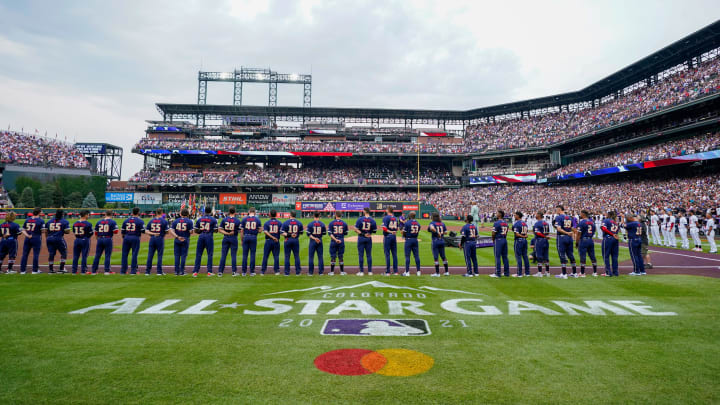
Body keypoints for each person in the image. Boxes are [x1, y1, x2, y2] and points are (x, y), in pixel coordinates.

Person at [193, 206, 218, 277]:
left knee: (198, 254)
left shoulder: (200, 219)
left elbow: (196, 230)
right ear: (210, 212)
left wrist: (201, 231)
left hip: (201, 236)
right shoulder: (213, 219)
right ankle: (209, 271)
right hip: (209, 236)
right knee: (209, 254)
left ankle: (195, 272)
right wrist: (210, 230)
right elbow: (216, 230)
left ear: (204, 211)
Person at [92, 210, 119, 275]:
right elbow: (116, 231)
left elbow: (95, 232)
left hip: (100, 238)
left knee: (97, 255)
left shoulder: (99, 221)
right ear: (112, 214)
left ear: (105, 214)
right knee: (107, 255)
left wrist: (97, 239)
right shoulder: (112, 221)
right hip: (108, 238)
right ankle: (106, 271)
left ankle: (94, 271)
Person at [553, 205, 576, 278]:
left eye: (557, 210)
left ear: (559, 210)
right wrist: (572, 234)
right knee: (570, 254)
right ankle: (574, 273)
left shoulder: (558, 217)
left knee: (562, 255)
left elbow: (559, 229)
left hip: (562, 237)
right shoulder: (569, 217)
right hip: (569, 238)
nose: (556, 211)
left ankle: (564, 273)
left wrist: (567, 233)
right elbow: (572, 228)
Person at [120, 207, 145, 275]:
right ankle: (133, 271)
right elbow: (143, 231)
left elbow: (122, 232)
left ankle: (123, 271)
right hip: (135, 237)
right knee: (134, 254)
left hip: (126, 237)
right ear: (138, 212)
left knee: (124, 254)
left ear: (132, 212)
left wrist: (125, 237)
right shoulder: (140, 221)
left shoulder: (126, 220)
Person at [353, 207, 377, 276]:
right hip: (368, 238)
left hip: (361, 238)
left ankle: (361, 271)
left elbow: (355, 229)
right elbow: (374, 231)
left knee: (361, 255)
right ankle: (370, 271)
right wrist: (368, 233)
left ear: (365, 211)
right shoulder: (372, 220)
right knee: (369, 255)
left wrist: (363, 234)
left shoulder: (360, 219)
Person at [145, 208, 169, 275]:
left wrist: (153, 233)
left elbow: (146, 231)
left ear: (156, 212)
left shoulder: (151, 220)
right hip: (160, 238)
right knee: (159, 255)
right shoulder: (164, 221)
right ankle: (159, 271)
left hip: (152, 238)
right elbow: (167, 231)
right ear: (162, 213)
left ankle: (147, 271)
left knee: (150, 255)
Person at [46, 209, 71, 274]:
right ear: (62, 214)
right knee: (64, 252)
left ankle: (51, 269)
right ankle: (61, 268)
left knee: (51, 253)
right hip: (58, 238)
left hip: (49, 238)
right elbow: (67, 231)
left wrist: (48, 237)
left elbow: (46, 231)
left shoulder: (49, 221)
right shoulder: (64, 221)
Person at [218, 206, 241, 276]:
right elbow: (240, 231)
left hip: (226, 237)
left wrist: (227, 233)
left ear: (229, 211)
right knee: (233, 255)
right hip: (233, 238)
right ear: (235, 212)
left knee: (223, 255)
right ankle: (234, 272)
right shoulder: (237, 220)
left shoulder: (224, 219)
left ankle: (220, 272)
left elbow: (220, 230)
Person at [20, 208, 44, 274]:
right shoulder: (40, 220)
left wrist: (27, 235)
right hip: (36, 237)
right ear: (39, 212)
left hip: (27, 238)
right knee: (36, 254)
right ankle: (34, 270)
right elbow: (43, 231)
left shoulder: (27, 219)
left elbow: (23, 230)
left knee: (25, 254)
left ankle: (22, 270)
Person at [240, 207, 262, 276]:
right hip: (253, 237)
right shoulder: (257, 219)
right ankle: (252, 271)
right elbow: (260, 230)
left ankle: (244, 272)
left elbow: (241, 231)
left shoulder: (244, 219)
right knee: (252, 254)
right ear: (254, 212)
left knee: (245, 255)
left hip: (246, 236)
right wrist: (256, 231)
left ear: (249, 211)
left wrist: (241, 240)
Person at [171, 209, 194, 276]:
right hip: (185, 238)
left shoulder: (176, 221)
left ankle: (176, 271)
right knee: (183, 256)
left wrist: (177, 236)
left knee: (177, 256)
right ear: (187, 214)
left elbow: (171, 230)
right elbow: (191, 232)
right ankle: (182, 271)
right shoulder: (189, 221)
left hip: (177, 239)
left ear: (180, 214)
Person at [71, 210, 94, 274]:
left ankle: (74, 271)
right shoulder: (88, 223)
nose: (88, 216)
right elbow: (91, 233)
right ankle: (83, 270)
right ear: (85, 215)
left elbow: (74, 232)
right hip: (85, 239)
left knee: (75, 256)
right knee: (84, 256)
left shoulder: (75, 223)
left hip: (77, 239)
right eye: (88, 214)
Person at [576, 210, 597, 277]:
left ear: (583, 214)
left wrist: (577, 242)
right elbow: (595, 230)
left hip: (584, 240)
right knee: (592, 256)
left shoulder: (582, 222)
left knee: (583, 256)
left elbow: (579, 233)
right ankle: (595, 272)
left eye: (580, 213)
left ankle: (582, 273)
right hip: (590, 239)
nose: (580, 215)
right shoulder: (592, 222)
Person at [261, 209, 282, 275]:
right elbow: (282, 232)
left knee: (265, 256)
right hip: (276, 241)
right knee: (276, 256)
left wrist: (272, 237)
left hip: (268, 241)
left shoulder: (267, 223)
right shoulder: (279, 223)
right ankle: (276, 271)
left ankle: (263, 271)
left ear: (270, 214)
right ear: (276, 214)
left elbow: (265, 231)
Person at [282, 211, 304, 275]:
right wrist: (295, 234)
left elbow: (282, 233)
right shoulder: (299, 222)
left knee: (287, 256)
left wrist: (289, 235)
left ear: (290, 215)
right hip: (295, 240)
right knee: (296, 256)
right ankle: (298, 272)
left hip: (287, 239)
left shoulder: (286, 222)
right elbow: (301, 232)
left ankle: (286, 272)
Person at [328, 211, 349, 276]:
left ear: (335, 215)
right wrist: (339, 238)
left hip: (333, 241)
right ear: (341, 215)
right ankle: (342, 272)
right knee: (341, 256)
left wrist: (335, 239)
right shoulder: (344, 223)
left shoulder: (331, 223)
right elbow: (346, 233)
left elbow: (330, 234)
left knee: (333, 256)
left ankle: (331, 272)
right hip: (341, 240)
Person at [428, 213, 449, 277]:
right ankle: (446, 271)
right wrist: (441, 233)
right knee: (443, 256)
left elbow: (432, 228)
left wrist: (437, 233)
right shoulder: (442, 223)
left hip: (435, 241)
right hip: (442, 241)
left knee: (436, 257)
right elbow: (446, 232)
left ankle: (437, 273)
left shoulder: (432, 223)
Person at [490, 210, 509, 278]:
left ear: (500, 214)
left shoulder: (497, 223)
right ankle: (506, 273)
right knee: (505, 257)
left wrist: (493, 239)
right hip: (504, 239)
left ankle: (497, 273)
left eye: (497, 213)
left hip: (498, 240)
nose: (496, 214)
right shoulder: (506, 223)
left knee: (497, 257)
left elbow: (493, 233)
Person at [601, 211, 620, 277]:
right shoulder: (615, 222)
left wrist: (611, 234)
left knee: (606, 255)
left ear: (609, 215)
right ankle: (616, 272)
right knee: (614, 256)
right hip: (615, 239)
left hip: (608, 238)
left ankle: (608, 272)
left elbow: (603, 228)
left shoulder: (606, 220)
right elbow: (617, 230)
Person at [402, 211, 421, 276]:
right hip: (415, 239)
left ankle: (407, 272)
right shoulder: (418, 223)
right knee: (416, 256)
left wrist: (405, 236)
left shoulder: (407, 223)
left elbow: (404, 232)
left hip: (409, 240)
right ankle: (418, 271)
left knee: (407, 256)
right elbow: (418, 231)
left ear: (410, 216)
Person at [532, 211, 551, 277]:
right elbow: (548, 232)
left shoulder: (537, 223)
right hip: (545, 240)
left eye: (536, 214)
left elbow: (537, 233)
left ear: (539, 215)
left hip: (540, 240)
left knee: (539, 256)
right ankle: (547, 272)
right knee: (546, 256)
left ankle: (539, 272)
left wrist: (544, 236)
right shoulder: (546, 223)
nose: (535, 215)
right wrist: (546, 236)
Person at [382, 207, 399, 275]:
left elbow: (384, 228)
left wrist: (390, 231)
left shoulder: (386, 217)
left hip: (388, 236)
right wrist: (393, 232)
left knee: (387, 254)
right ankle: (396, 271)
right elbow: (397, 228)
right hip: (394, 237)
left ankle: (388, 272)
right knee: (394, 254)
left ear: (388, 210)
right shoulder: (395, 218)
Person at [512, 211, 530, 277]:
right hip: (524, 240)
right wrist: (524, 236)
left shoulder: (516, 223)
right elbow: (526, 233)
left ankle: (519, 273)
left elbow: (516, 233)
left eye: (515, 215)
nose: (514, 216)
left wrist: (522, 236)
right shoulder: (525, 223)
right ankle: (527, 273)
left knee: (518, 256)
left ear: (518, 216)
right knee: (525, 256)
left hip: (519, 240)